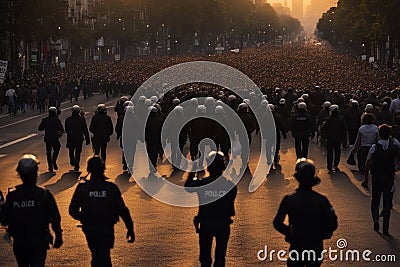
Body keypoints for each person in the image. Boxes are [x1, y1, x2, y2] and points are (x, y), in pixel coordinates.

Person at [69, 156, 135, 267]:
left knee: (96, 254)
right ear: (103, 169)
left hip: (90, 228)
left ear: (89, 170)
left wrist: (85, 217)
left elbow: (72, 210)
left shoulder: (83, 188)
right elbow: (122, 209)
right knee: (104, 254)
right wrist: (130, 227)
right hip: (106, 227)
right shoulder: (111, 188)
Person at [0, 154, 63, 267]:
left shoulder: (13, 196)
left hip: (20, 242)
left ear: (20, 174)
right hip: (39, 241)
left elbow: (4, 220)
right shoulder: (43, 194)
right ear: (36, 173)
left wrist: (2, 206)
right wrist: (58, 235)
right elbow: (55, 216)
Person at [273, 158, 338, 267]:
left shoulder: (289, 200)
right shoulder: (321, 200)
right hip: (315, 246)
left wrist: (290, 232)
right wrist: (321, 234)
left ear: (297, 178)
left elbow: (277, 223)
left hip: (296, 246)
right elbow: (333, 223)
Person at [185, 151, 237, 267]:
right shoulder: (230, 185)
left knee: (205, 257)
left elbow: (187, 187)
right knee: (220, 257)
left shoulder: (203, 184)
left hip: (206, 222)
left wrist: (194, 170)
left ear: (208, 167)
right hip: (223, 223)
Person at [363, 124, 400, 235]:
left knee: (375, 200)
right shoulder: (394, 148)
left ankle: (375, 219)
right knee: (387, 203)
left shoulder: (374, 148)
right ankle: (385, 228)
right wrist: (396, 167)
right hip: (389, 177)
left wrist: (366, 177)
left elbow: (368, 163)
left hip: (376, 177)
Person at [321, 105, 347, 172]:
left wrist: (324, 136)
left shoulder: (328, 119)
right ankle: (335, 165)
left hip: (330, 139)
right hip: (338, 139)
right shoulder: (341, 119)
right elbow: (344, 130)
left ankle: (329, 166)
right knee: (337, 152)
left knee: (330, 152)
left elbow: (323, 128)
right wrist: (344, 140)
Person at [38, 106, 64, 172]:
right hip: (55, 137)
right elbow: (61, 129)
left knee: (48, 152)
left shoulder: (45, 119)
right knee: (57, 148)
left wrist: (45, 127)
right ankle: (54, 160)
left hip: (47, 138)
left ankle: (50, 167)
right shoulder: (57, 120)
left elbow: (40, 128)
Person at [65, 105, 90, 172]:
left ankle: (72, 161)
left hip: (71, 138)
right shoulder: (82, 119)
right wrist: (87, 139)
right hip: (79, 138)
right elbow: (85, 129)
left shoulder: (68, 119)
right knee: (78, 152)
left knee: (71, 151)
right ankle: (76, 164)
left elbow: (66, 129)